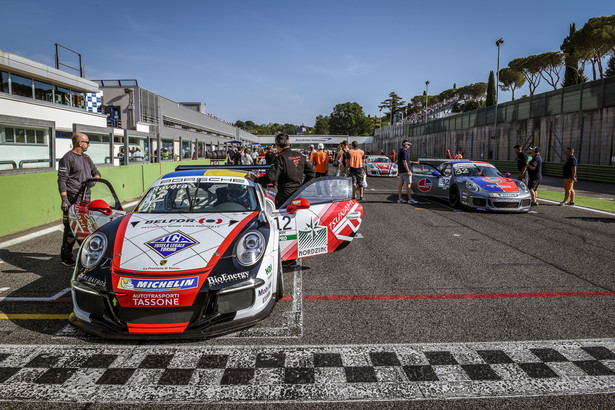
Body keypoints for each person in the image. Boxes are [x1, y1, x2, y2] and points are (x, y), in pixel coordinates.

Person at [57, 133, 101, 266]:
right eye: (87, 142)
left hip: (86, 197)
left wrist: (93, 181)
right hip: (72, 197)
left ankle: (86, 253)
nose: (89, 144)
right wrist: (64, 199)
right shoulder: (67, 158)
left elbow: (97, 173)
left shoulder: (87, 158)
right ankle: (66, 256)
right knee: (71, 228)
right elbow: (62, 180)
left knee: (86, 227)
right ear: (79, 143)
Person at [247, 132, 315, 208]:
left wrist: (255, 179)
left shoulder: (281, 158)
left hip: (284, 197)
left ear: (277, 145)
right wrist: (303, 188)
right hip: (298, 194)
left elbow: (270, 178)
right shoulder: (299, 155)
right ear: (289, 144)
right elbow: (312, 173)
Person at [397, 140, 418, 205]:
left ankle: (400, 198)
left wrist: (414, 162)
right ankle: (410, 199)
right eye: (408, 144)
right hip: (405, 171)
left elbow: (407, 161)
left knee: (401, 184)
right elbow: (404, 162)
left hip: (401, 171)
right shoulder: (404, 152)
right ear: (405, 144)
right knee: (408, 185)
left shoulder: (401, 151)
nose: (409, 146)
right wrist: (408, 170)